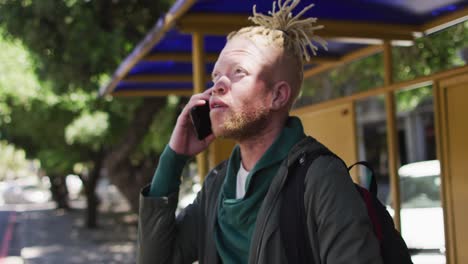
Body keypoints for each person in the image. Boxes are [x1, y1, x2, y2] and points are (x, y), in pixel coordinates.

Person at [137, 1, 383, 263]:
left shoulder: (321, 178)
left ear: (277, 96)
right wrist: (174, 158)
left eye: (238, 72)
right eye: (216, 76)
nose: (218, 85)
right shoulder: (218, 185)